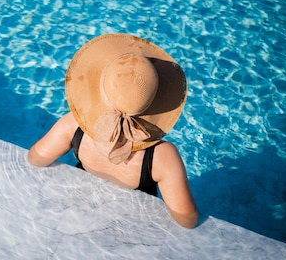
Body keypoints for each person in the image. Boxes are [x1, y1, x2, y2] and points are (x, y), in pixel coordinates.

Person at [28, 33, 199, 229]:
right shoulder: (162, 156)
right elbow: (187, 220)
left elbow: (36, 159)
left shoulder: (74, 125)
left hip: (78, 218)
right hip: (131, 224)